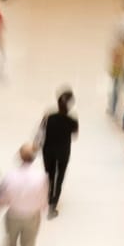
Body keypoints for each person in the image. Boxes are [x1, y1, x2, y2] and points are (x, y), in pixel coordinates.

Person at [0, 143, 47, 246]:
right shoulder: (41, 176)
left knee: (9, 244)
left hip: (13, 215)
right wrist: (40, 209)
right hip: (32, 216)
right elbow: (43, 199)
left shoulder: (9, 176)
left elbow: (2, 198)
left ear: (19, 157)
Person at [39, 88, 78, 217]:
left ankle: (48, 196)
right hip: (63, 152)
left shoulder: (48, 117)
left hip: (48, 150)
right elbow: (74, 136)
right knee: (59, 177)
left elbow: (41, 131)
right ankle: (53, 205)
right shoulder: (72, 120)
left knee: (49, 174)